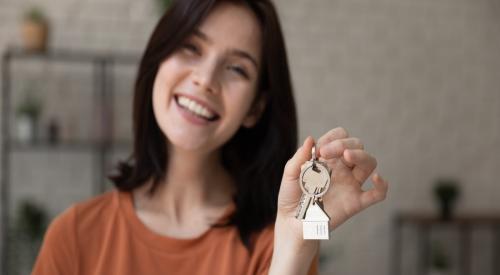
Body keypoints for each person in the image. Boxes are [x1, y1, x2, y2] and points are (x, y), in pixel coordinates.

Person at [32, 0, 389, 274]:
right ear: (157, 58)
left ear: (255, 108)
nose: (205, 79)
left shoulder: (280, 243)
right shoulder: (75, 235)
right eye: (191, 47)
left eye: (236, 68)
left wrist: (292, 253)